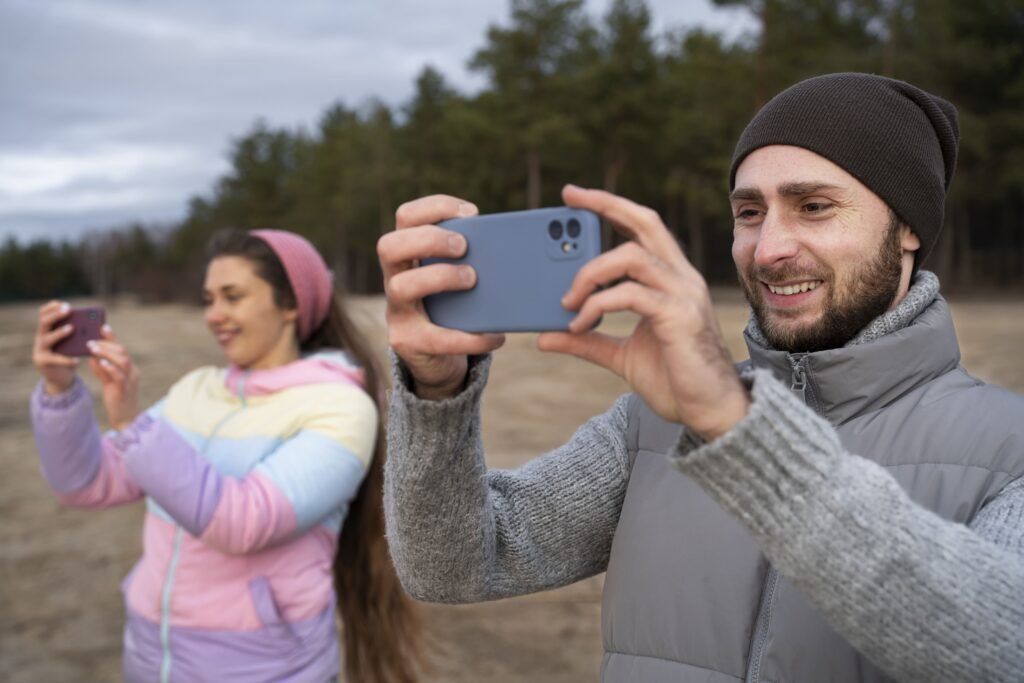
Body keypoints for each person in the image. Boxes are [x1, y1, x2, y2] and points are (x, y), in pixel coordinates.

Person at [377, 72, 1024, 682]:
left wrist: (735, 426)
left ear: (908, 227)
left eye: (814, 206)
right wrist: (437, 393)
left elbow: (1002, 646)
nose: (769, 249)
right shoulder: (651, 424)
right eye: (750, 212)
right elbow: (453, 566)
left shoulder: (1008, 450)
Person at [31, 229, 423, 682]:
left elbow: (245, 522)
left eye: (232, 297)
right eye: (209, 299)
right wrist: (59, 391)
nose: (214, 315)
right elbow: (84, 483)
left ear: (291, 304)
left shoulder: (341, 406)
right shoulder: (196, 389)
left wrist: (132, 424)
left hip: (264, 666)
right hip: (150, 653)